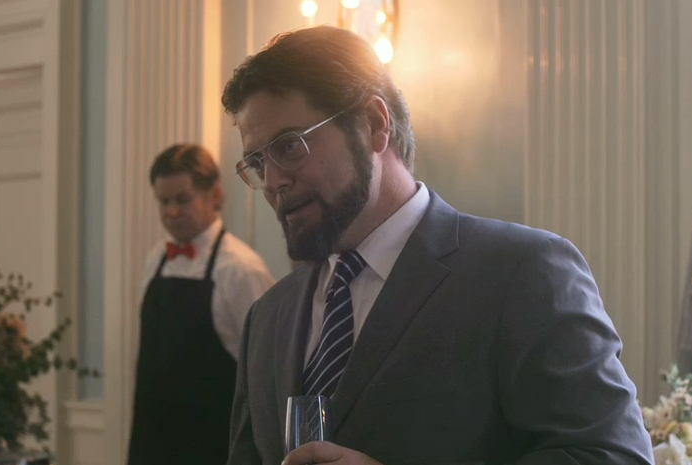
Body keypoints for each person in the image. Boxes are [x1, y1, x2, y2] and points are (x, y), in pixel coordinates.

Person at [221, 26, 654, 465]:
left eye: (289, 147)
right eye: (257, 162)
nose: (273, 181)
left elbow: (614, 456)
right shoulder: (267, 318)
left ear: (374, 124)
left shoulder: (522, 272)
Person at [127, 143, 275, 465]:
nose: (172, 212)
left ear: (215, 196)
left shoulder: (241, 269)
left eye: (183, 199)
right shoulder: (156, 258)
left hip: (213, 448)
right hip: (150, 444)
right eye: (164, 201)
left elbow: (268, 372)